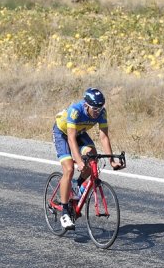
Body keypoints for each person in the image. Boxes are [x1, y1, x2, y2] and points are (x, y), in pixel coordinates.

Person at [52, 87, 123, 230]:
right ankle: (65, 212)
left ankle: (77, 186)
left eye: (100, 108)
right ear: (86, 105)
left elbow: (103, 137)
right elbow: (71, 139)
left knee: (93, 158)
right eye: (94, 109)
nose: (97, 112)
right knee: (69, 169)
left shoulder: (101, 113)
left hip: (80, 133)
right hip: (63, 134)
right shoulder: (75, 110)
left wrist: (111, 161)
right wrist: (78, 161)